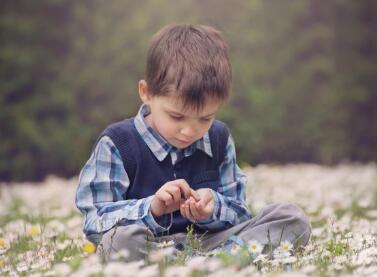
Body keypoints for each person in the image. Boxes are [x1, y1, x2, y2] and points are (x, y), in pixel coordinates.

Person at [75, 24, 311, 262]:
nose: (190, 131)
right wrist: (152, 208)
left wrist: (213, 207)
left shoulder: (219, 138)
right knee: (117, 242)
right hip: (151, 248)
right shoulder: (118, 143)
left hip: (214, 244)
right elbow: (95, 222)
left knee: (291, 218)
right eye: (176, 116)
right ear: (146, 92)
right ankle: (216, 266)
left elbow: (240, 213)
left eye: (206, 118)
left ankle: (215, 264)